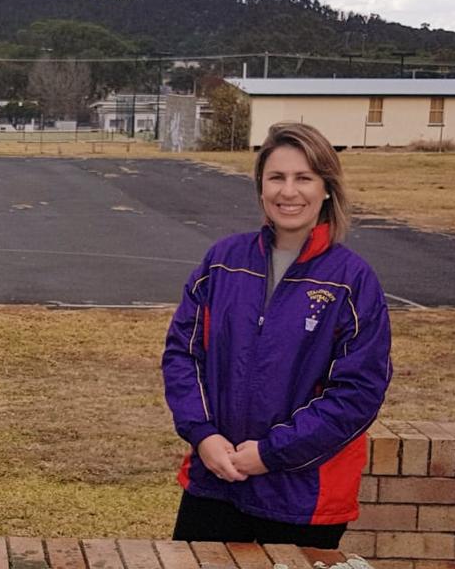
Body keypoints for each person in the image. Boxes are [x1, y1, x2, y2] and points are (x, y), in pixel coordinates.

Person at [161, 122, 391, 548]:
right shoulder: (223, 261)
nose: (289, 192)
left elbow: (358, 393)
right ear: (261, 187)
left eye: (304, 178)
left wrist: (270, 454)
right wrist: (203, 434)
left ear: (326, 189)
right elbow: (182, 355)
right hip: (216, 482)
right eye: (277, 178)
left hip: (304, 497)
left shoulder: (352, 280)